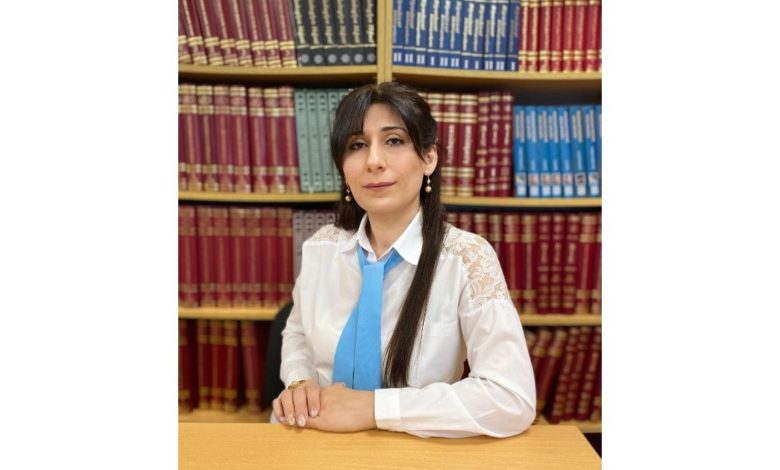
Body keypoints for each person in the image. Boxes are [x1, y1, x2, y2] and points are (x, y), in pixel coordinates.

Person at [272, 82, 536, 438]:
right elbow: (298, 332)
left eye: (393, 140)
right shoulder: (322, 248)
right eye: (357, 145)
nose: (374, 161)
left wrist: (374, 408)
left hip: (413, 447)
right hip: (313, 437)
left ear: (429, 158)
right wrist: (299, 381)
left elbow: (510, 397)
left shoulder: (466, 259)